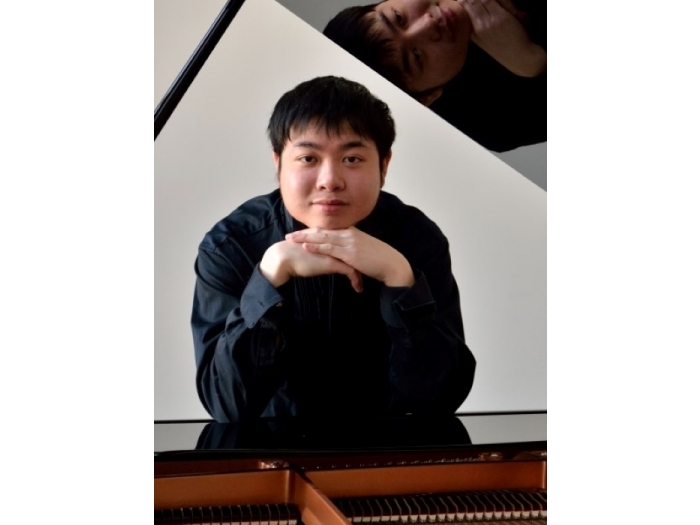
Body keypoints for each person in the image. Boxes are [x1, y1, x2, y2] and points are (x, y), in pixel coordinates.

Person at [191, 76, 476, 423]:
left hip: (388, 449)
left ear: (384, 164)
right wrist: (268, 277)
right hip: (270, 451)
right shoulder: (230, 245)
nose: (330, 180)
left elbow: (442, 400)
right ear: (278, 163)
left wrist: (400, 278)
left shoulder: (416, 238)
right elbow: (227, 405)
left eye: (352, 159)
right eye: (308, 158)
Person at [323, 0, 546, 152]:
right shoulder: (493, 122)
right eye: (416, 57)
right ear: (429, 97)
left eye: (398, 17)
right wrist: (532, 62)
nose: (428, 23)